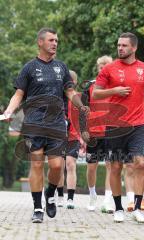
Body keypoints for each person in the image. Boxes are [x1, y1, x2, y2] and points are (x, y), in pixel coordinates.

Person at [4, 28, 88, 223]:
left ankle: (50, 194)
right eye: (51, 40)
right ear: (40, 43)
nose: (55, 43)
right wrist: (9, 111)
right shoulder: (29, 68)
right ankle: (37, 207)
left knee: (57, 166)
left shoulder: (61, 67)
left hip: (57, 123)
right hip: (33, 122)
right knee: (36, 164)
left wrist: (81, 106)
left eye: (57, 40)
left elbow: (69, 92)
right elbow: (18, 94)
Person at [92, 32, 144, 223]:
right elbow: (95, 94)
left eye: (124, 45)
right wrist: (114, 91)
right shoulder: (109, 69)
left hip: (138, 124)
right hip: (115, 125)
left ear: (134, 48)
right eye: (118, 45)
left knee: (141, 164)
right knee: (116, 166)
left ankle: (136, 208)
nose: (120, 48)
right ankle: (118, 208)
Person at [82, 56, 114, 213]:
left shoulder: (117, 87)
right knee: (91, 167)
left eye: (106, 66)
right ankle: (93, 195)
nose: (103, 69)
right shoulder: (90, 86)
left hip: (112, 131)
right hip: (93, 132)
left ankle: (107, 201)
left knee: (111, 166)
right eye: (101, 66)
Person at [57, 70, 82, 209]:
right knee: (59, 166)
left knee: (71, 164)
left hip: (73, 135)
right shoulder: (58, 98)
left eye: (71, 81)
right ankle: (60, 196)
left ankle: (70, 198)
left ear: (75, 82)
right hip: (58, 135)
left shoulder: (78, 98)